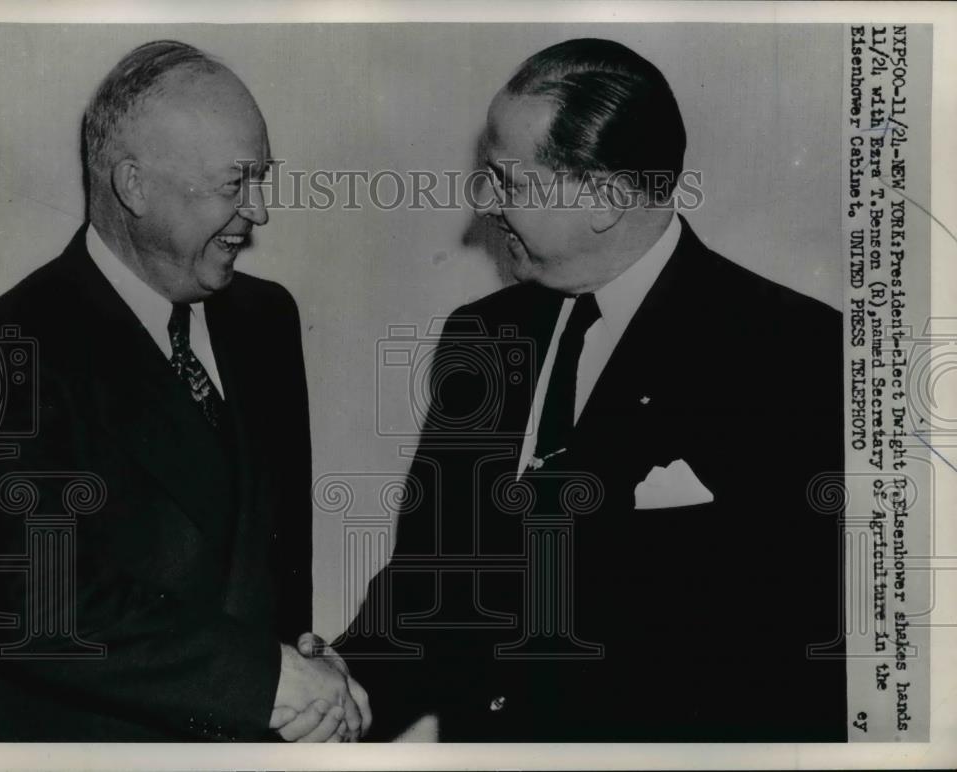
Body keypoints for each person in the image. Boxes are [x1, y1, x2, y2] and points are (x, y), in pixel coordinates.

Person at [336, 37, 845, 741]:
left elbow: (796, 661)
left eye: (508, 181)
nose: (484, 204)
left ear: (606, 197)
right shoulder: (481, 336)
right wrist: (336, 689)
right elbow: (435, 586)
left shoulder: (793, 351)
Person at [0, 40, 369, 742]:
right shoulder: (11, 342)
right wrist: (266, 680)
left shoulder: (266, 318)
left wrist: (308, 671)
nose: (261, 210)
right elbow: (36, 606)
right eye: (235, 184)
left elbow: (272, 568)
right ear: (133, 184)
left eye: (263, 180)